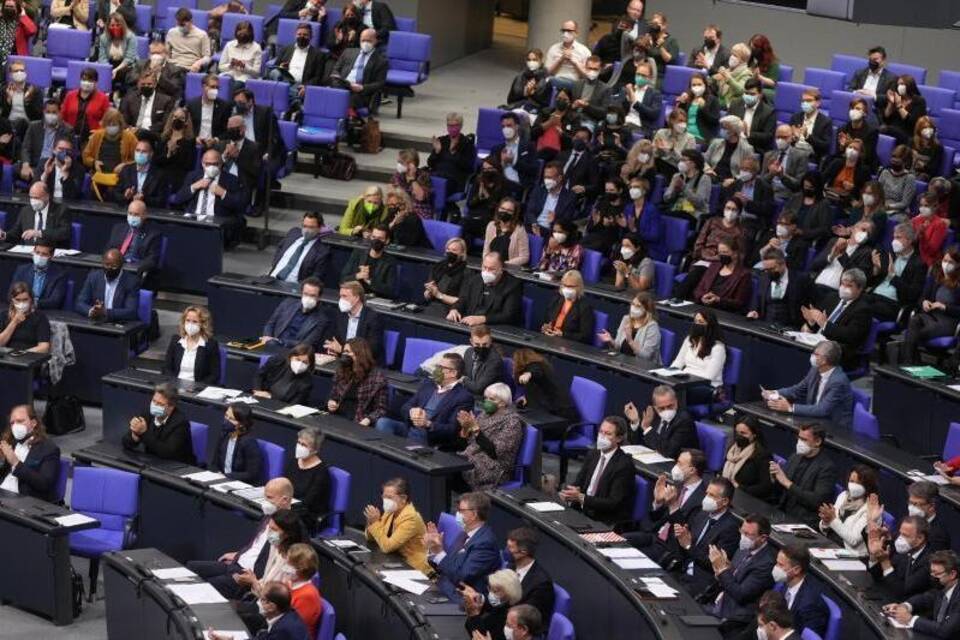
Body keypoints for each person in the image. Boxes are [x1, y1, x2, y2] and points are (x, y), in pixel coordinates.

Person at [187, 478, 295, 596]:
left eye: (269, 498)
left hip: (250, 576)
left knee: (206, 587)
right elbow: (256, 545)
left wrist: (254, 582)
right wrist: (238, 554)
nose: (265, 503)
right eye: (265, 497)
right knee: (190, 568)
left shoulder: (292, 528)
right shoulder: (269, 515)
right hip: (237, 563)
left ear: (284, 500)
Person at [375, 352, 474, 446]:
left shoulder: (463, 397)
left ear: (453, 373)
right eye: (437, 366)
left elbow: (452, 429)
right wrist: (411, 411)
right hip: (411, 428)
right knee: (383, 422)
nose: (436, 370)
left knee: (418, 437)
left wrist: (428, 423)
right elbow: (405, 407)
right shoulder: (428, 385)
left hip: (430, 436)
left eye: (440, 367)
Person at [625, 449, 708, 557]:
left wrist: (673, 506)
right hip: (655, 535)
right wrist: (658, 502)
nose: (675, 467)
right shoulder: (677, 485)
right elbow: (656, 518)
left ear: (692, 470)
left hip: (671, 547)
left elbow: (685, 530)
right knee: (620, 541)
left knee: (631, 556)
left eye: (679, 463)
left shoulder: (702, 499)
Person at [559, 416, 637, 526]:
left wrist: (582, 498)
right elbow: (579, 482)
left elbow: (613, 503)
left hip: (604, 519)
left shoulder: (624, 465)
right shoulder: (593, 454)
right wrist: (569, 492)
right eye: (601, 432)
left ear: (619, 438)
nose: (602, 437)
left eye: (608, 434)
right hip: (583, 510)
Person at [711, 513, 777, 638]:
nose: (743, 537)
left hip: (736, 617)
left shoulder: (766, 564)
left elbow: (741, 594)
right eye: (742, 531)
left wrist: (722, 570)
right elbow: (736, 576)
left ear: (763, 538)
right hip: (720, 602)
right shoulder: (744, 547)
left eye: (747, 534)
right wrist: (727, 568)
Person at [672, 477, 740, 596]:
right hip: (681, 568)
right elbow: (686, 543)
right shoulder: (702, 514)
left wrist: (688, 546)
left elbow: (714, 563)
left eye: (712, 495)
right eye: (707, 493)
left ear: (724, 501)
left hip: (701, 580)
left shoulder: (731, 528)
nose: (707, 498)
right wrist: (681, 538)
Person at [423, 492, 501, 595]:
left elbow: (462, 577)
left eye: (461, 510)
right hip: (442, 586)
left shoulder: (485, 543)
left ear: (474, 514)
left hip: (459, 598)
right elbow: (448, 565)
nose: (457, 514)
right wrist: (433, 548)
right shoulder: (464, 534)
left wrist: (439, 553)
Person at [765, 340, 853, 429]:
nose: (812, 356)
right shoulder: (815, 370)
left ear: (825, 360)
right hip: (815, 418)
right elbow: (798, 390)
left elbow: (822, 410)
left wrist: (790, 407)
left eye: (816, 354)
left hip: (834, 426)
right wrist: (775, 393)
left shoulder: (838, 382)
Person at [454, 382, 523, 490]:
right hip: (472, 456)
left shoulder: (512, 422)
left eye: (492, 399)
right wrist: (466, 428)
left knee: (449, 474)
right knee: (446, 465)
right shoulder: (484, 414)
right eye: (486, 398)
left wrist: (476, 429)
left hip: (493, 466)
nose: (487, 402)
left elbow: (496, 452)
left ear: (503, 403)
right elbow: (471, 442)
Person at [171, 148, 248, 245]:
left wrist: (223, 193)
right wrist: (194, 187)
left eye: (215, 164)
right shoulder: (193, 176)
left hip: (216, 219)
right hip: (194, 217)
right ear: (202, 164)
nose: (211, 167)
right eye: (207, 164)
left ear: (220, 164)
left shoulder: (231, 180)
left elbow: (240, 204)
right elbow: (178, 199)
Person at [897, 248, 960, 365]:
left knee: (913, 335)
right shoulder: (936, 276)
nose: (946, 264)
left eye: (950, 262)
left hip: (948, 322)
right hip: (931, 317)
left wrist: (944, 307)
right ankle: (910, 361)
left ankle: (909, 362)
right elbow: (921, 297)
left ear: (957, 265)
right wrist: (924, 302)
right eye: (945, 260)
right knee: (915, 320)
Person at [804, 268, 873, 370]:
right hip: (815, 342)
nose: (844, 288)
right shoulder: (832, 297)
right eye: (842, 284)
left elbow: (850, 336)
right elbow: (817, 322)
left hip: (838, 353)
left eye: (849, 286)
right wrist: (811, 322)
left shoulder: (863, 309)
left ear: (860, 289)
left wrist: (825, 324)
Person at [769, 424, 836, 526]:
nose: (799, 443)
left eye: (804, 440)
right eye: (799, 438)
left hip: (804, 520)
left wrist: (787, 483)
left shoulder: (827, 468)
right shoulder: (795, 456)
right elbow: (781, 488)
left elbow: (817, 501)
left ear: (817, 442)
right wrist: (775, 478)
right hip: (782, 511)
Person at [883, 550, 960, 638]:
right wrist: (904, 606)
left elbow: (945, 630)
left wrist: (910, 619)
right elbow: (924, 599)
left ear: (952, 574)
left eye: (937, 573)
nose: (932, 576)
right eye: (931, 572)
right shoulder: (942, 588)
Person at [363, 477, 430, 574]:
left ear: (403, 498)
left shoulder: (411, 518)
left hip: (413, 567)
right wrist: (371, 522)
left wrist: (375, 523)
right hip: (395, 560)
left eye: (389, 497)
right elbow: (372, 538)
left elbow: (387, 546)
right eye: (384, 497)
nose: (385, 501)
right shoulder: (390, 511)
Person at [121, 383, 195, 464]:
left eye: (160, 404)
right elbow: (125, 443)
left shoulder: (181, 423)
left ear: (171, 407)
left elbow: (168, 453)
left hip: (176, 466)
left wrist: (143, 433)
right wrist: (134, 435)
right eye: (153, 401)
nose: (154, 405)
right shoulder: (147, 413)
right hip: (151, 463)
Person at [0, 404, 60, 502]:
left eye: (20, 421)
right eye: (12, 423)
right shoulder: (12, 442)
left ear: (33, 423)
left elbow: (44, 483)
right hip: (3, 492)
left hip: (23, 500)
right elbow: (3, 473)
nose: (15, 426)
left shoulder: (48, 448)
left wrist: (16, 463)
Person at [214, 580, 310, 640]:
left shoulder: (283, 630)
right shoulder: (288, 614)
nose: (259, 602)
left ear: (272, 606)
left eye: (262, 600)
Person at [868, 222, 926, 321]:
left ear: (909, 240)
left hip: (893, 303)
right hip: (874, 295)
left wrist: (893, 277)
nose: (894, 241)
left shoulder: (919, 264)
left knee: (862, 309)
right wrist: (876, 269)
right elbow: (872, 282)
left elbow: (912, 294)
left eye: (898, 238)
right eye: (894, 237)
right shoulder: (889, 255)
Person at [868, 514, 935, 600]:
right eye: (900, 534)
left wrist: (885, 562)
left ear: (920, 538)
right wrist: (874, 555)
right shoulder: (903, 552)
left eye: (905, 535)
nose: (900, 539)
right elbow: (877, 575)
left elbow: (901, 592)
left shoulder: (929, 562)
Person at [448, 252, 522, 327]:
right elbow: (463, 300)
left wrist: (482, 319)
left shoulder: (513, 285)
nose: (486, 272)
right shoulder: (474, 279)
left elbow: (508, 315)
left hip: (494, 326)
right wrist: (455, 309)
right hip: (469, 324)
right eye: (484, 267)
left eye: (491, 269)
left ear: (501, 269)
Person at [819, 464, 878, 557]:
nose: (853, 485)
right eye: (851, 481)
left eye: (858, 483)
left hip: (851, 554)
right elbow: (825, 529)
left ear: (868, 486)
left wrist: (832, 520)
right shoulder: (843, 495)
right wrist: (825, 522)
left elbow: (853, 540)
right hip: (830, 544)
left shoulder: (870, 509)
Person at [326, 337, 386, 427]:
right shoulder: (342, 370)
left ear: (359, 354)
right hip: (337, 416)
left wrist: (368, 419)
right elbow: (334, 395)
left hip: (359, 420)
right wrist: (332, 402)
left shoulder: (377, 378)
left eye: (347, 352)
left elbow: (381, 409)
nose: (344, 354)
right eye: (344, 352)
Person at [748, 247, 814, 328]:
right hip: (765, 324)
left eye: (772, 269)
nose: (769, 273)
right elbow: (756, 301)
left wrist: (808, 325)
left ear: (783, 263)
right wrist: (754, 311)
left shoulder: (801, 280)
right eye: (766, 270)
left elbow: (812, 304)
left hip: (791, 327)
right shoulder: (763, 278)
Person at [270, 22, 325, 117]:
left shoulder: (318, 55)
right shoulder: (286, 49)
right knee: (275, 73)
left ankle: (291, 106)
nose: (302, 37)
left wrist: (306, 87)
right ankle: (296, 101)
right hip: (284, 81)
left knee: (288, 89)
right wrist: (281, 67)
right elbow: (275, 67)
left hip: (300, 86)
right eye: (299, 34)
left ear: (311, 36)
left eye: (305, 35)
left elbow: (318, 77)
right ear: (295, 35)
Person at [624, 385, 696, 456]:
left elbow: (668, 451)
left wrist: (646, 428)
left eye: (670, 406)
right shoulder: (651, 414)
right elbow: (638, 443)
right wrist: (635, 422)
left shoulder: (684, 421)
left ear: (676, 402)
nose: (666, 411)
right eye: (661, 408)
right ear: (655, 407)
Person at [670, 310, 727, 400]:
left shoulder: (718, 348)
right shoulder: (689, 340)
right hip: (686, 382)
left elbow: (708, 376)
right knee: (664, 388)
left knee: (677, 393)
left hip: (708, 387)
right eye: (695, 321)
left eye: (701, 322)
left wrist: (685, 374)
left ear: (710, 325)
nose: (697, 325)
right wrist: (669, 373)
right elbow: (679, 361)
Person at [261, 277, 328, 351]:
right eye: (305, 294)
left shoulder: (321, 319)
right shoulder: (287, 303)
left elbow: (307, 344)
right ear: (301, 293)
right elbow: (270, 324)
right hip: (272, 345)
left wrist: (279, 341)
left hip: (294, 352)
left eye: (312, 295)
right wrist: (267, 337)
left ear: (319, 297)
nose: (308, 298)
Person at [328, 28, 388, 111]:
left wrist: (362, 88)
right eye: (363, 40)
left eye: (369, 41)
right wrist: (337, 78)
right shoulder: (348, 52)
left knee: (348, 100)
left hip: (361, 93)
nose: (365, 43)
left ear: (376, 41)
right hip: (343, 86)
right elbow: (336, 69)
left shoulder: (381, 61)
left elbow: (380, 83)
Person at [512, 348, 578, 422]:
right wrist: (527, 397)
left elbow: (536, 372)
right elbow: (537, 388)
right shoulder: (539, 367)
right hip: (554, 412)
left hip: (562, 417)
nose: (513, 364)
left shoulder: (535, 366)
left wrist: (529, 374)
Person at [82, 108, 138, 195]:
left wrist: (125, 165)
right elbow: (86, 156)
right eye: (109, 124)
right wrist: (94, 163)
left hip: (120, 180)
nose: (111, 126)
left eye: (114, 124)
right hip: (99, 179)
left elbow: (137, 159)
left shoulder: (130, 138)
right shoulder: (97, 136)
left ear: (120, 124)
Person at [691, 236, 754, 314]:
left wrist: (718, 299)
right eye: (720, 252)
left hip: (723, 312)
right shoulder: (713, 266)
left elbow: (739, 302)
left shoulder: (744, 275)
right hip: (703, 307)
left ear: (735, 253)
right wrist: (702, 297)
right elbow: (699, 289)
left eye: (725, 252)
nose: (721, 255)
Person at [74, 249, 140, 321]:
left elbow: (131, 312)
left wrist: (105, 312)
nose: (109, 269)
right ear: (102, 263)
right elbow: (79, 303)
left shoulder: (131, 281)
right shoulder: (94, 277)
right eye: (107, 265)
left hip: (117, 323)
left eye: (114, 266)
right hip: (96, 321)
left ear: (121, 265)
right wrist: (92, 311)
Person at [284, 427, 330, 531]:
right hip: (289, 507)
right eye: (299, 442)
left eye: (304, 445)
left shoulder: (321, 472)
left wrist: (285, 505)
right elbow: (284, 484)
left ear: (315, 450)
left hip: (309, 515)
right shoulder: (294, 461)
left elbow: (309, 502)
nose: (299, 447)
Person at [162, 305, 221, 384]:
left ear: (203, 324)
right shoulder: (176, 341)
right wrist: (174, 384)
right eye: (188, 320)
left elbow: (214, 375)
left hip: (196, 389)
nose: (190, 324)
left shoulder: (210, 345)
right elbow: (166, 368)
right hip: (174, 387)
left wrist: (196, 387)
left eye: (195, 322)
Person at [19, 99, 74, 184]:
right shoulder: (34, 126)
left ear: (59, 113)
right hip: (34, 164)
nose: (50, 115)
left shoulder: (67, 130)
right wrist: (26, 165)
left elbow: (68, 152)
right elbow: (26, 148)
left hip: (54, 165)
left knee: (42, 170)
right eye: (48, 112)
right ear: (43, 112)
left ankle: (36, 193)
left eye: (54, 112)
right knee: (14, 168)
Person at [720, 416, 774, 500]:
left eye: (743, 433)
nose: (739, 436)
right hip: (727, 490)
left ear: (754, 434)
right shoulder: (733, 448)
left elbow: (765, 487)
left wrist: (740, 488)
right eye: (737, 432)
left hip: (746, 496)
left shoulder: (762, 455)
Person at [325, 280, 383, 358]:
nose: (341, 300)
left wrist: (342, 350)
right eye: (340, 296)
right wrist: (332, 349)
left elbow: (372, 349)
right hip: (343, 359)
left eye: (344, 296)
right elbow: (334, 339)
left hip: (363, 362)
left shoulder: (372, 317)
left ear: (356, 298)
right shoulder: (341, 315)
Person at [270, 212, 331, 284]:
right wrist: (275, 263)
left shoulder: (322, 252)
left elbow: (316, 276)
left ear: (320, 228)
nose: (306, 230)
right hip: (271, 278)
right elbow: (280, 247)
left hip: (292, 286)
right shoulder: (293, 233)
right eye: (304, 226)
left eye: (311, 227)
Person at [600, 291, 660, 362]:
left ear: (646, 310)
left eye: (638, 306)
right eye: (633, 304)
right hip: (622, 362)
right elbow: (618, 346)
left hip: (641, 368)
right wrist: (611, 341)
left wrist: (630, 341)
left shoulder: (652, 327)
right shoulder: (626, 319)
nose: (633, 308)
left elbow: (646, 357)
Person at [339, 224, 396, 298]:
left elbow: (390, 290)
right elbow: (342, 279)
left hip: (376, 299)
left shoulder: (390, 261)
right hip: (354, 296)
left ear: (387, 241)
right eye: (374, 237)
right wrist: (358, 275)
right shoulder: (358, 254)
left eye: (380, 238)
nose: (376, 240)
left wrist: (369, 280)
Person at [210, 403, 263, 484]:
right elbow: (214, 463)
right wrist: (215, 474)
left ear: (242, 423)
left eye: (231, 419)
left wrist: (227, 476)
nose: (227, 420)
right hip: (221, 480)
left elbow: (252, 474)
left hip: (240, 483)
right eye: (226, 416)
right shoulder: (224, 435)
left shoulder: (248, 442)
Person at [462, 569, 522, 640]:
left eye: (495, 591)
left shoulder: (512, 616)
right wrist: (473, 612)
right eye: (490, 589)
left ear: (509, 593)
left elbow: (482, 636)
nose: (491, 594)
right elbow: (471, 629)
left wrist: (474, 615)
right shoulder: (496, 608)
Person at [782, 171, 833, 249]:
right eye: (805, 186)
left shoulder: (823, 204)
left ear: (817, 188)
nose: (807, 189)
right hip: (788, 232)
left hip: (805, 238)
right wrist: (786, 225)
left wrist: (803, 232)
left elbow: (825, 229)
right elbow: (784, 213)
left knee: (796, 246)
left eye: (810, 187)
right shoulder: (796, 197)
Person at [540, 270, 594, 344]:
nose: (567, 289)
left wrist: (563, 335)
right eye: (564, 285)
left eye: (571, 286)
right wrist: (545, 327)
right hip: (550, 339)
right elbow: (546, 320)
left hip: (568, 344)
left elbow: (585, 336)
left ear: (579, 287)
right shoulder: (556, 299)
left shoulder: (585, 307)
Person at [113, 136, 168, 207]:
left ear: (151, 154)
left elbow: (162, 201)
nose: (140, 154)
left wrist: (144, 199)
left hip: (149, 211)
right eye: (138, 150)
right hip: (127, 209)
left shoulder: (159, 175)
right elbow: (115, 193)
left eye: (144, 151)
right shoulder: (126, 170)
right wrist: (125, 196)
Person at [426, 112, 475, 194]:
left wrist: (454, 154)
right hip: (437, 175)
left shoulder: (466, 143)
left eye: (455, 125)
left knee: (437, 184)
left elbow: (469, 167)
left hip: (455, 179)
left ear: (460, 126)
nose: (452, 128)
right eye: (449, 125)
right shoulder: (442, 141)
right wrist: (437, 152)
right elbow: (430, 163)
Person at [725, 79, 776, 155]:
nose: (748, 96)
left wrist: (747, 133)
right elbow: (726, 123)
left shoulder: (769, 112)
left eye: (752, 94)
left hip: (753, 148)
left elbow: (768, 137)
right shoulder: (735, 104)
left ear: (760, 95)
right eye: (746, 93)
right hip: (732, 143)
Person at [763, 125, 813, 202]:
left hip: (788, 194)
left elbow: (799, 185)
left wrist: (782, 176)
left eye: (784, 137)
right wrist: (771, 174)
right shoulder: (768, 155)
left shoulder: (801, 156)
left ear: (791, 138)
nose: (780, 140)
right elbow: (762, 181)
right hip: (769, 192)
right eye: (778, 137)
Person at [490, 112, 538, 192]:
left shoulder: (528, 147)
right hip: (499, 189)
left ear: (517, 126)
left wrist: (514, 162)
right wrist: (501, 165)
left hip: (519, 189)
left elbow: (534, 170)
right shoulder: (496, 149)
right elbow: (491, 172)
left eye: (509, 126)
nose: (506, 129)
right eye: (503, 126)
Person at [11, 241, 65, 310]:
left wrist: (31, 303)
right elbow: (11, 293)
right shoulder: (22, 270)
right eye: (37, 252)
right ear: (33, 251)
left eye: (44, 254)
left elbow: (55, 301)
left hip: (45, 311)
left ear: (51, 256)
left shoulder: (59, 274)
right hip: (20, 308)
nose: (39, 256)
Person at [283, 544, 323, 638]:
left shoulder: (307, 595)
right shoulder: (291, 585)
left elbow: (293, 628)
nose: (284, 566)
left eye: (288, 564)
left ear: (300, 569)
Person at [692, 198, 749, 263]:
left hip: (723, 264)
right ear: (724, 209)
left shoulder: (741, 231)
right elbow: (698, 245)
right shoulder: (712, 221)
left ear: (739, 213)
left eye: (734, 209)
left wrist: (725, 259)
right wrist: (707, 256)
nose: (730, 212)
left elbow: (740, 256)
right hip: (704, 259)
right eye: (728, 208)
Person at [663, 149, 712, 220]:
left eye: (684, 160)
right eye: (681, 160)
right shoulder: (677, 176)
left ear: (693, 163)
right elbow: (666, 198)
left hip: (693, 214)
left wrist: (683, 188)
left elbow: (701, 203)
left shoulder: (704, 179)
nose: (681, 163)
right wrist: (674, 190)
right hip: (677, 209)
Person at [705, 115, 755, 185]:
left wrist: (734, 179)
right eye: (721, 127)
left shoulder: (747, 149)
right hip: (712, 177)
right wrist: (708, 169)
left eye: (725, 128)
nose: (722, 130)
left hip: (731, 182)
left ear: (734, 131)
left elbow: (749, 172)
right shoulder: (716, 143)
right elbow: (704, 160)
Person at [0, 282, 49, 353]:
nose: (21, 303)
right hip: (6, 357)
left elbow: (44, 347)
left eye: (25, 299)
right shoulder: (4, 315)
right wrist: (14, 322)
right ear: (12, 300)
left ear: (31, 300)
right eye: (18, 300)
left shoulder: (40, 317)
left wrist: (22, 354)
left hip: (29, 357)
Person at [823, 138, 870, 208]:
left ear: (860, 154)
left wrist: (853, 187)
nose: (852, 150)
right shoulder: (836, 162)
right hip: (831, 195)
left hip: (849, 201)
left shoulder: (864, 170)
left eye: (855, 149)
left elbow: (865, 191)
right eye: (850, 147)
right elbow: (823, 177)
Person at [676, 72, 721, 145]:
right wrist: (681, 103)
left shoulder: (713, 100)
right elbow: (679, 117)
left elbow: (715, 121)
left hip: (700, 136)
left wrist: (704, 107)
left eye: (699, 84)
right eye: (694, 85)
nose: (696, 87)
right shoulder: (688, 99)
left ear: (705, 85)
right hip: (684, 133)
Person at [881, 74, 927, 145]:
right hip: (891, 130)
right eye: (898, 84)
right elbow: (886, 118)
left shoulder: (919, 101)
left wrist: (899, 106)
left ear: (909, 85)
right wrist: (890, 103)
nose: (899, 87)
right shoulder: (897, 97)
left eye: (902, 84)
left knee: (886, 129)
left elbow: (912, 122)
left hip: (907, 134)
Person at [788, 88, 832, 162]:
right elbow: (788, 140)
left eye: (809, 101)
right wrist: (793, 138)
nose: (805, 103)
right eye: (803, 101)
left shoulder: (826, 122)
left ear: (818, 103)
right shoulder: (795, 117)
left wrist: (807, 136)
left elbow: (825, 146)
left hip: (811, 155)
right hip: (793, 151)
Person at [544, 20, 591, 89]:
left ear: (576, 33)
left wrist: (574, 62)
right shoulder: (554, 48)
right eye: (563, 31)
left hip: (574, 83)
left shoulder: (584, 51)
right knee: (546, 81)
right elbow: (547, 72)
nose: (565, 33)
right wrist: (561, 60)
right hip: (555, 80)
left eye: (569, 31)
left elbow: (587, 76)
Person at [1, 58, 42, 137]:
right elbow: (4, 115)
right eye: (16, 71)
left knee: (21, 123)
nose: (19, 73)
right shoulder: (5, 90)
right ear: (10, 74)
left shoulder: (35, 91)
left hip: (28, 126)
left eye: (22, 70)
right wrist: (9, 100)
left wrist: (27, 101)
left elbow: (38, 116)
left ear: (25, 73)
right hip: (9, 125)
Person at [483, 198, 529, 267]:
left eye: (509, 210)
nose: (505, 212)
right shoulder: (491, 225)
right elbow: (486, 250)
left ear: (514, 213)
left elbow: (524, 257)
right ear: (498, 209)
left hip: (509, 268)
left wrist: (502, 265)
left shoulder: (520, 230)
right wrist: (487, 262)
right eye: (503, 208)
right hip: (491, 267)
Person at [837, 97, 879, 171]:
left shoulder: (872, 132)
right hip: (844, 162)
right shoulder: (842, 129)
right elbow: (838, 153)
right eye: (852, 108)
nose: (854, 111)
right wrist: (842, 147)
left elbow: (868, 157)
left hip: (862, 166)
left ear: (865, 113)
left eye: (858, 109)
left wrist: (851, 144)